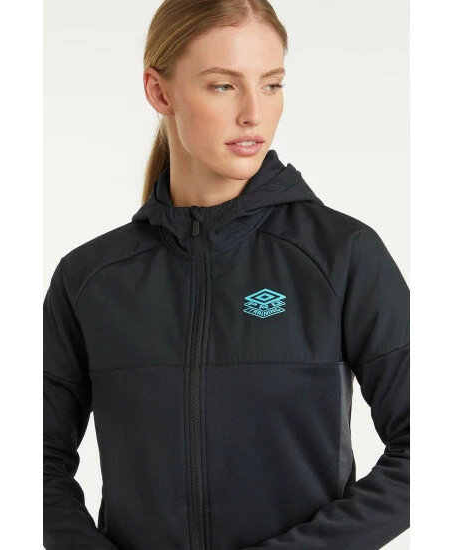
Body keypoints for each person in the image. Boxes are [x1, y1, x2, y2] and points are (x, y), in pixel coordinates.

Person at [43, 1, 410, 549]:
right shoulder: (90, 278)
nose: (253, 114)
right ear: (159, 92)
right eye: (222, 85)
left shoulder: (341, 255)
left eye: (271, 84)